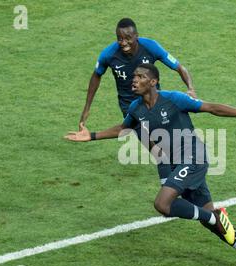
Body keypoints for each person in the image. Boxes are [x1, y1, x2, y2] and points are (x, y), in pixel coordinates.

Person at [65, 64, 236, 266]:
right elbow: (123, 129)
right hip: (177, 163)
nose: (134, 79)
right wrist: (92, 136)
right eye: (134, 76)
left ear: (153, 82)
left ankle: (214, 216)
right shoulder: (136, 108)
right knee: (213, 225)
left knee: (163, 204)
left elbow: (210, 107)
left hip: (194, 158)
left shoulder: (173, 99)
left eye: (141, 76)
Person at [78, 17, 196, 183]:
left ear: (136, 37)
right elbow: (96, 76)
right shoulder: (109, 54)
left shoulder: (150, 46)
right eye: (120, 39)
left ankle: (178, 188)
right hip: (132, 109)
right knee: (157, 149)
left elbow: (179, 67)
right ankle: (171, 191)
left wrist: (191, 88)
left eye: (128, 38)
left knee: (170, 145)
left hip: (156, 104)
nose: (123, 42)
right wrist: (87, 108)